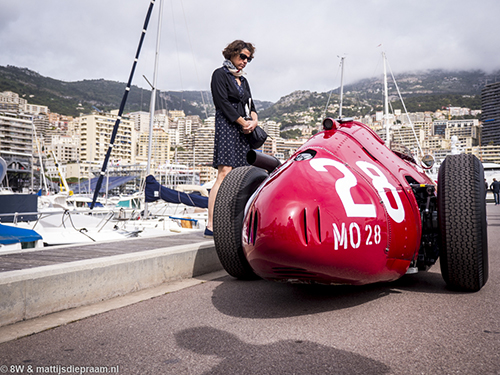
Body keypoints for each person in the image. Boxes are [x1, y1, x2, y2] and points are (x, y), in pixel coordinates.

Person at [205, 40, 258, 237]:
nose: (245, 61)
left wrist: (254, 121)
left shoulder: (243, 81)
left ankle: (235, 224)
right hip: (227, 126)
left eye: (248, 59)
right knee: (225, 173)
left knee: (241, 176)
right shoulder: (220, 74)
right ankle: (211, 224)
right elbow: (222, 103)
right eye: (243, 56)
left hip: (244, 131)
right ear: (232, 53)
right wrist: (242, 122)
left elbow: (251, 106)